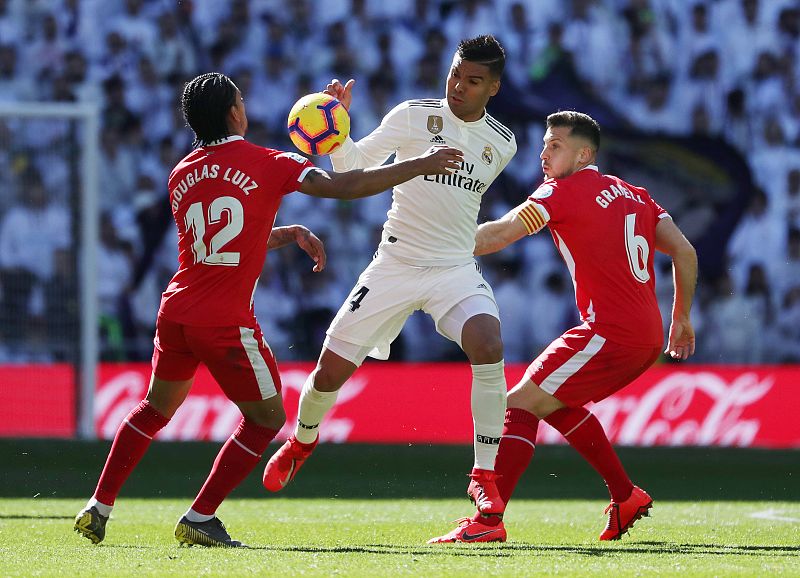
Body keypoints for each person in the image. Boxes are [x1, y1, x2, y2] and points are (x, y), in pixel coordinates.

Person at [73, 72, 464, 548]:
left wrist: (286, 232)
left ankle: (98, 505)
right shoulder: (270, 161)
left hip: (176, 310)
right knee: (266, 419)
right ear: (234, 113)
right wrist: (419, 164)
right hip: (224, 320)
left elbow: (218, 243)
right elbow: (346, 186)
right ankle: (200, 517)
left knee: (154, 409)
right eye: (241, 99)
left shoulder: (181, 173)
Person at [263, 35, 517, 521]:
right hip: (395, 263)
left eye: (473, 81)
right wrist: (338, 136)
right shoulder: (413, 115)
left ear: (494, 88)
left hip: (453, 268)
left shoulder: (503, 143)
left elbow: (460, 208)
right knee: (328, 373)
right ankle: (301, 441)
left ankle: (484, 476)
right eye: (455, 74)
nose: (458, 86)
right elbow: (355, 169)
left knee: (488, 345)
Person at [429, 111, 697, 543]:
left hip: (609, 331)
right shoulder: (636, 195)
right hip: (644, 334)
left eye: (555, 146)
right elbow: (685, 251)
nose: (544, 154)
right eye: (544, 145)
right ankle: (625, 495)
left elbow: (499, 236)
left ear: (584, 154)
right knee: (553, 403)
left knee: (518, 403)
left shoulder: (560, 192)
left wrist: (433, 242)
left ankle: (488, 522)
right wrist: (681, 318)